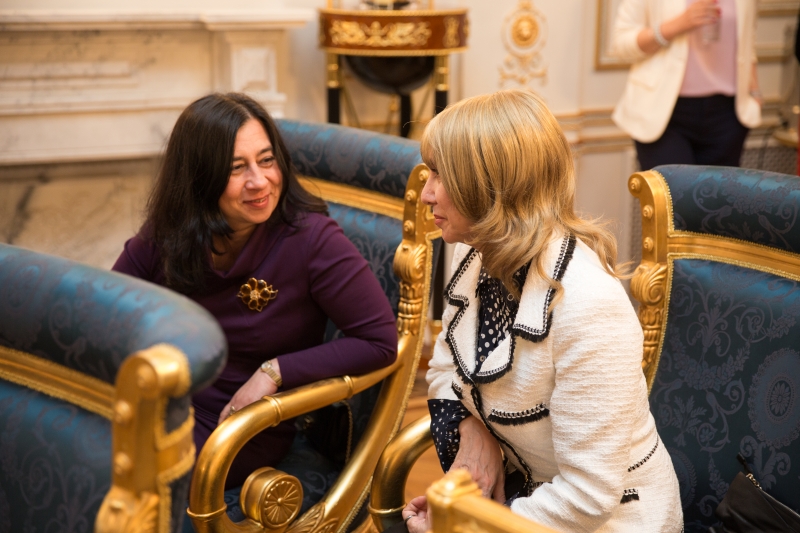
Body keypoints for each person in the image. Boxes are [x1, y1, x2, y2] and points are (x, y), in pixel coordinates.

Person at [401, 89, 682, 533]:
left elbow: (588, 497)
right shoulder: (471, 252)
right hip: (524, 499)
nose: (426, 194)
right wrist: (474, 432)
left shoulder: (589, 305)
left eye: (440, 175)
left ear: (492, 187)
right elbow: (443, 370)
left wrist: (465, 524)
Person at [112, 92, 397, 490]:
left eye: (266, 160)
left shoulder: (312, 239)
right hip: (163, 403)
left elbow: (380, 341)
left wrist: (274, 372)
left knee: (123, 474)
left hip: (239, 427)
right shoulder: (169, 232)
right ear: (199, 177)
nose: (259, 181)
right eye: (236, 168)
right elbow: (110, 312)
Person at [611, 0, 762, 170]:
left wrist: (755, 92)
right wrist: (678, 24)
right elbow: (621, 43)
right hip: (664, 115)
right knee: (670, 187)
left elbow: (748, 39)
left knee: (718, 189)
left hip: (727, 115)